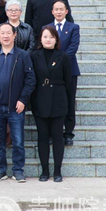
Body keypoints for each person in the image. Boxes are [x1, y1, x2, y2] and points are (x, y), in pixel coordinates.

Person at [0, 23, 35, 182]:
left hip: (16, 107)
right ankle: (0, 170)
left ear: (15, 35)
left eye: (9, 33)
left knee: (18, 141)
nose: (6, 36)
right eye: (2, 33)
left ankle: (18, 170)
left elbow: (30, 80)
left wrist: (23, 100)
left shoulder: (23, 55)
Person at [30, 26, 74, 183]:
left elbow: (68, 81)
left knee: (57, 137)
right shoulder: (34, 56)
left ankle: (57, 171)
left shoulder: (63, 56)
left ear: (56, 40)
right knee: (42, 137)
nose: (48, 39)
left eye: (51, 37)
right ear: (40, 39)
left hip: (58, 100)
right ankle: (44, 171)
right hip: (40, 99)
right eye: (45, 37)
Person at [45, 0, 80, 146]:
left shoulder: (73, 27)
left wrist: (59, 62)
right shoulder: (47, 28)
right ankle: (52, 133)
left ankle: (68, 133)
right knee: (52, 101)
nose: (59, 12)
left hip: (69, 70)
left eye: (61, 9)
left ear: (66, 11)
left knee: (69, 100)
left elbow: (73, 47)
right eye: (56, 9)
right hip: (51, 71)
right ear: (52, 12)